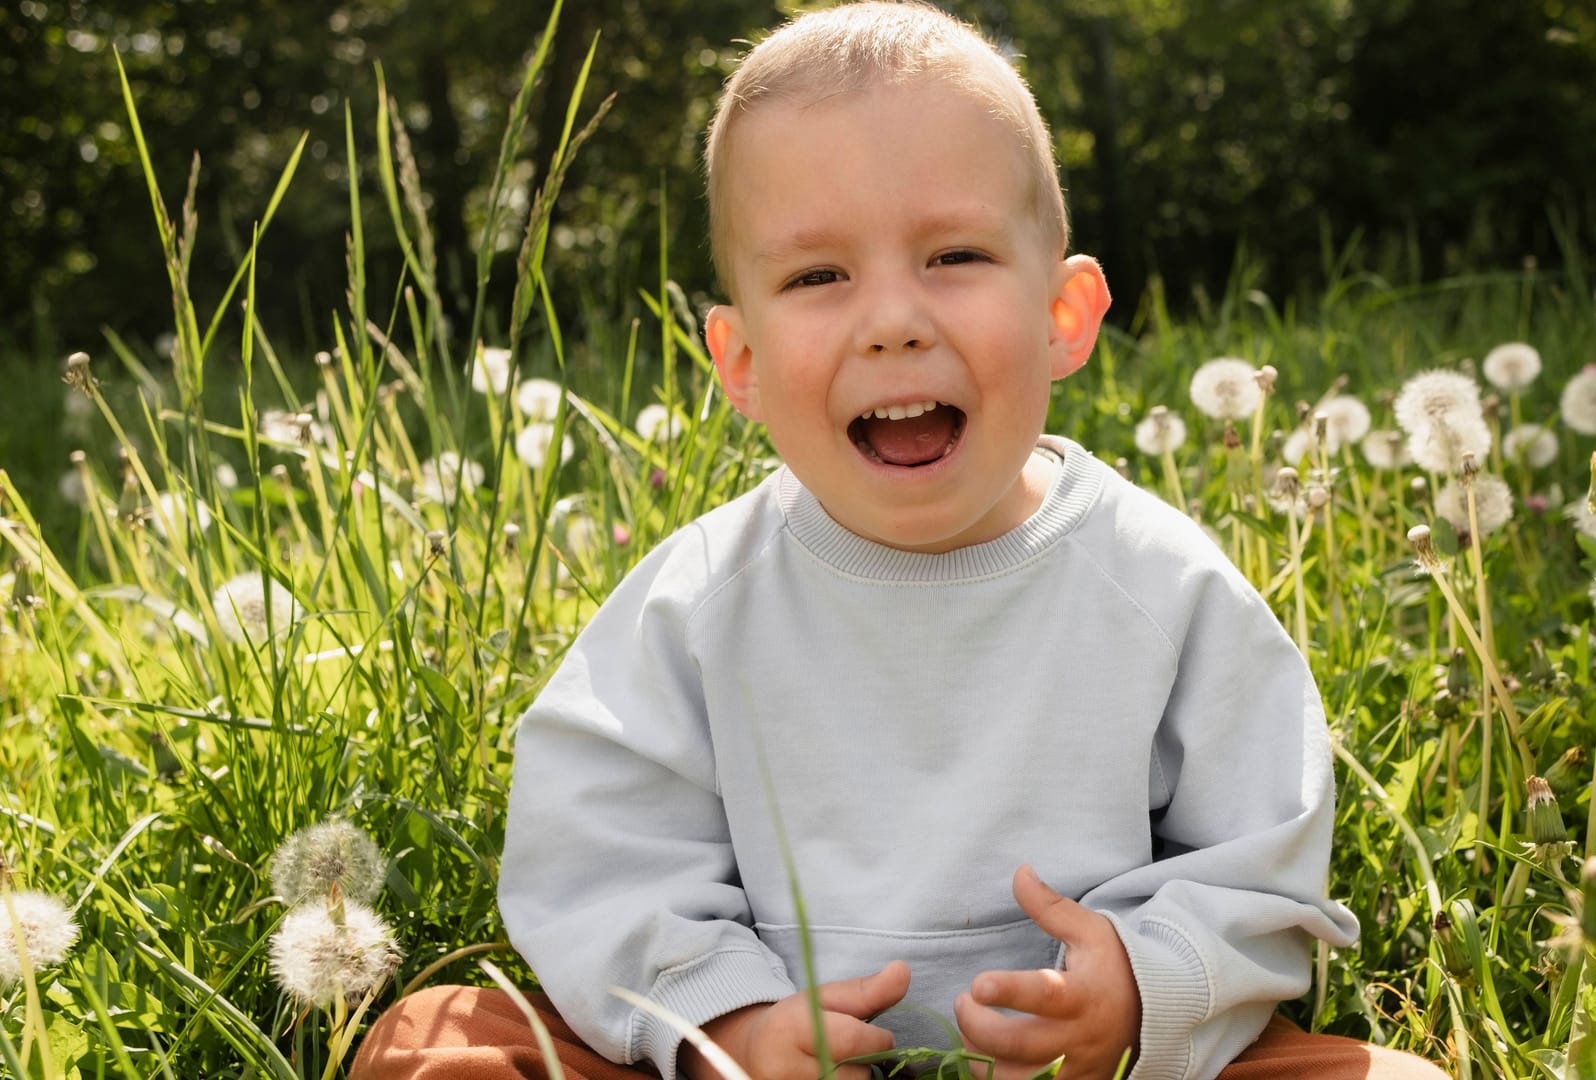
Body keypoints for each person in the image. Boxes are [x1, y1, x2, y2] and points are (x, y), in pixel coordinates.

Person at [352, 4, 1447, 1079]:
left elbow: (1260, 859)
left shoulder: (1159, 583)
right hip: (769, 1052)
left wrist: (1139, 989)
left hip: (1092, 1065)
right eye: (817, 277)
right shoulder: (697, 601)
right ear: (738, 362)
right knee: (435, 1046)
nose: (891, 319)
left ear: (1064, 316)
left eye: (954, 255)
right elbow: (599, 855)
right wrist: (723, 1026)